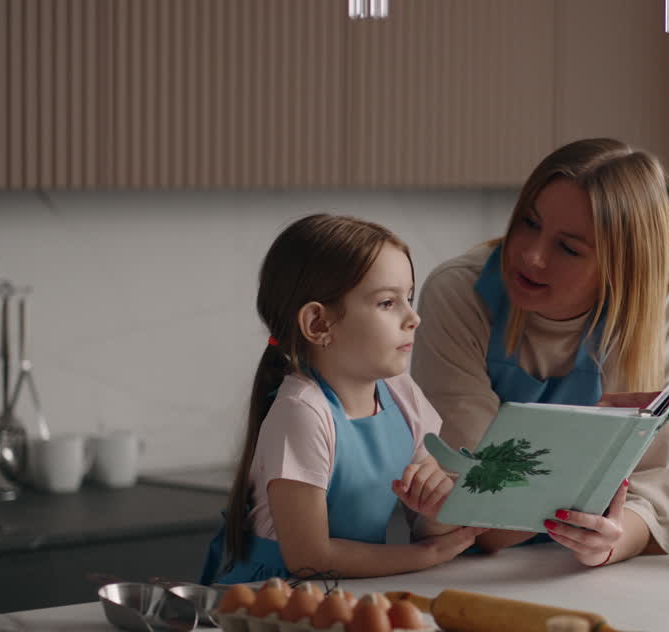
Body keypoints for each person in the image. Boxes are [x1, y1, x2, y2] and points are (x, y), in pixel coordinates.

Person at [412, 138, 669, 568]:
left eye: (570, 248)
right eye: (528, 222)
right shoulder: (459, 295)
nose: (531, 256)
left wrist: (610, 542)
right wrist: (589, 438)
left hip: (598, 574)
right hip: (476, 567)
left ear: (622, 266)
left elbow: (668, 494)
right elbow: (478, 505)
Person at [201, 214, 485, 584]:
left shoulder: (401, 393)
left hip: (347, 588)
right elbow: (310, 558)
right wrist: (424, 555)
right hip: (271, 598)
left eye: (409, 298)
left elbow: (427, 525)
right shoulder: (302, 413)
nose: (413, 317)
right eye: (387, 303)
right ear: (319, 324)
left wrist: (436, 507)